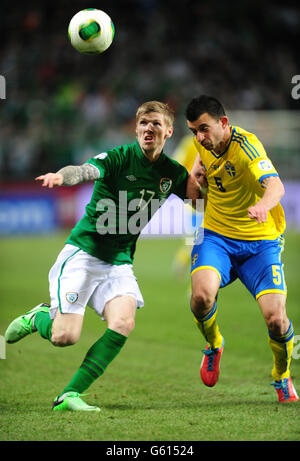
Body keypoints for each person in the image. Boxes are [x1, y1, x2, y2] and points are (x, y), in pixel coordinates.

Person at [5, 101, 200, 412]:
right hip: (83, 254)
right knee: (64, 337)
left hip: (119, 262)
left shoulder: (172, 173)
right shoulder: (118, 158)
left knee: (123, 322)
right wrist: (61, 176)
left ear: (169, 131)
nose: (149, 128)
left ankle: (69, 395)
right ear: (137, 129)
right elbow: (83, 170)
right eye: (144, 123)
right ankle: (38, 317)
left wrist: (206, 176)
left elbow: (201, 198)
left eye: (156, 124)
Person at [186, 95, 298, 403]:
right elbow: (194, 197)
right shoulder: (202, 145)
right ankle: (214, 344)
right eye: (194, 131)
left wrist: (263, 205)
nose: (199, 137)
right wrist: (195, 182)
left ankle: (281, 375)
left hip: (260, 243)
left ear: (223, 123)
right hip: (216, 237)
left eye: (204, 129)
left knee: (276, 319)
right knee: (200, 297)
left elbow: (276, 186)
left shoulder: (248, 146)